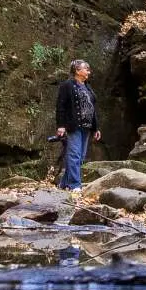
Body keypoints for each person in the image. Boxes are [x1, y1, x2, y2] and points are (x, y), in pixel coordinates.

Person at [55, 59, 102, 191]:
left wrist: (96, 128)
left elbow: (92, 108)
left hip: (87, 127)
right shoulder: (67, 85)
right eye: (86, 68)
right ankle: (75, 185)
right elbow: (61, 106)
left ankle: (64, 184)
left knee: (80, 157)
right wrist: (61, 125)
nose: (89, 71)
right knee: (74, 155)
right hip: (73, 126)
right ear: (77, 70)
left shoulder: (87, 86)